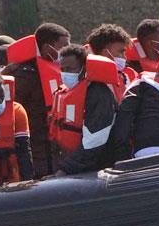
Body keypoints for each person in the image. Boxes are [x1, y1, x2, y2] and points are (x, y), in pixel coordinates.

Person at [11, 22, 70, 178]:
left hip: (53, 141)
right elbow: (16, 107)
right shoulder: (25, 74)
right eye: (63, 46)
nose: (67, 50)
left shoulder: (59, 70)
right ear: (46, 47)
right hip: (35, 141)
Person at [49, 45, 120, 175]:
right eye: (63, 69)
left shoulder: (99, 95)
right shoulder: (67, 91)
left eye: (70, 69)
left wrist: (65, 170)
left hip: (99, 169)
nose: (65, 74)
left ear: (84, 69)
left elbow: (93, 143)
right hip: (75, 167)